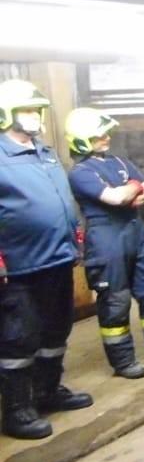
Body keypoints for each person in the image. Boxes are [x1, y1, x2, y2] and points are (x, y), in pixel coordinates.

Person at [66, 108, 144, 379]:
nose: (106, 137)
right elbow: (116, 198)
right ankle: (123, 363)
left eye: (106, 132)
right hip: (105, 240)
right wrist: (134, 187)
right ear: (81, 139)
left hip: (136, 233)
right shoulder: (80, 172)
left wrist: (131, 190)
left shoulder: (118, 162)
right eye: (98, 134)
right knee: (115, 301)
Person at [0, 79, 92, 440]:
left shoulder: (45, 152)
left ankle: (48, 391)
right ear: (6, 114)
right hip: (19, 268)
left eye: (36, 110)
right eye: (27, 110)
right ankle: (18, 411)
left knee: (56, 329)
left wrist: (75, 236)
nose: (35, 117)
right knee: (19, 338)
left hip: (57, 259)